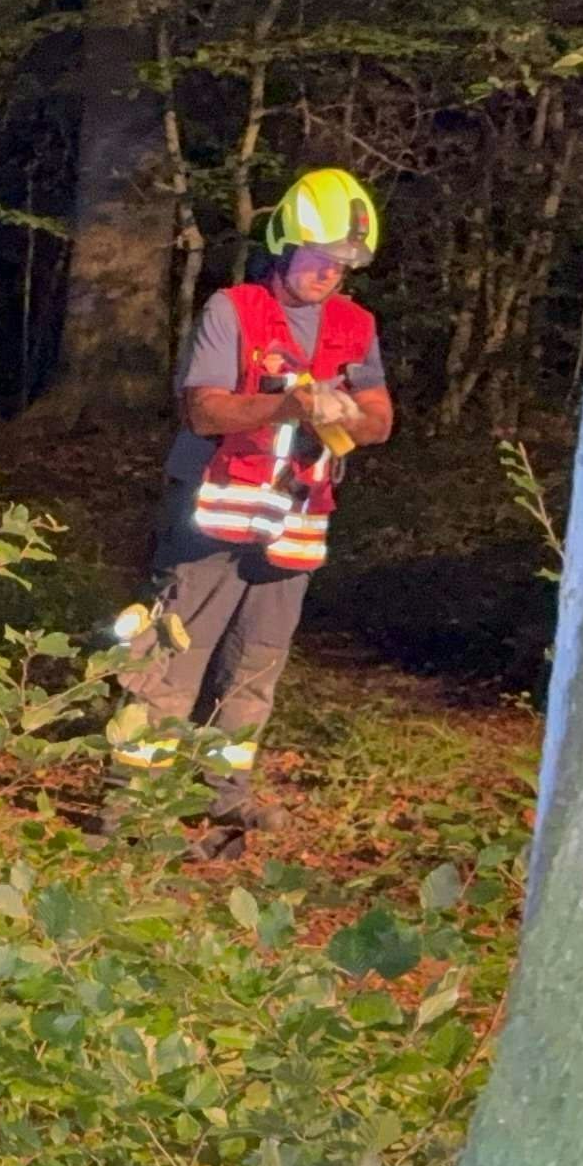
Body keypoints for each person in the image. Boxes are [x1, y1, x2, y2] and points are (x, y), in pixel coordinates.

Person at [109, 167, 394, 843]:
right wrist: (287, 405)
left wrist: (346, 413)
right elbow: (204, 410)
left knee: (256, 663)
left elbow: (380, 420)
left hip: (297, 520)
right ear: (285, 246)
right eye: (319, 257)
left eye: (343, 263)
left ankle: (222, 793)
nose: (330, 273)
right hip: (212, 511)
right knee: (171, 654)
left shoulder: (356, 325)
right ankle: (132, 803)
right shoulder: (233, 310)